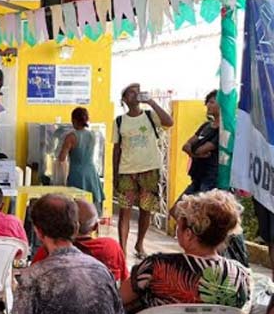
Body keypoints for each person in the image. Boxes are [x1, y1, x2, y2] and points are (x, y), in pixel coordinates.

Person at [122, 190, 250, 314]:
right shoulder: (240, 276)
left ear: (188, 235)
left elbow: (118, 299)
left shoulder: (156, 266)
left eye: (178, 226)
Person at [113, 83, 174, 258]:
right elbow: (116, 149)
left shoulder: (150, 116)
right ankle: (122, 250)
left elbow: (169, 122)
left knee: (145, 209)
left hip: (149, 170)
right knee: (125, 210)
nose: (135, 95)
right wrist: (115, 175)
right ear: (124, 99)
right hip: (127, 171)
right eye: (130, 93)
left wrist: (152, 103)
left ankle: (139, 244)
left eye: (137, 92)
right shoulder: (119, 121)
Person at [31, 199, 128, 283]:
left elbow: (30, 280)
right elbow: (125, 280)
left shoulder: (49, 251)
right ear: (95, 227)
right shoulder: (111, 247)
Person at [58, 107, 104, 214]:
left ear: (73, 120)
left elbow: (61, 158)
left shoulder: (71, 137)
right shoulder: (92, 135)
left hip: (77, 173)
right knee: (90, 204)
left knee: (76, 205)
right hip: (91, 172)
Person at [182, 90, 220, 196]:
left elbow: (201, 149)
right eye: (208, 102)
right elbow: (186, 145)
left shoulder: (224, 130)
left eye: (212, 102)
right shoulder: (206, 126)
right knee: (178, 209)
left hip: (210, 178)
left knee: (199, 209)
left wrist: (193, 150)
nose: (208, 105)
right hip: (197, 175)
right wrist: (193, 152)